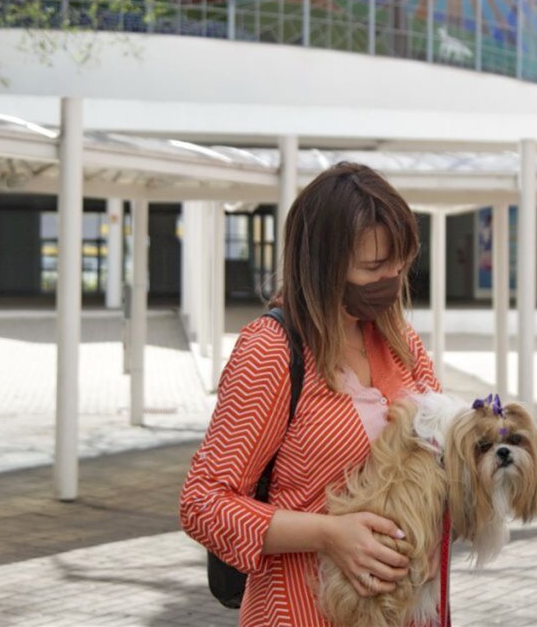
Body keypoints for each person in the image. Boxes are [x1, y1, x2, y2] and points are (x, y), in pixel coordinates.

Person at [180, 162, 444, 626]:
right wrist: (328, 534)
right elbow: (203, 503)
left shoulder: (400, 343)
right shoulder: (270, 351)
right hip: (301, 609)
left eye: (400, 262)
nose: (393, 277)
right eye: (374, 267)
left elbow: (445, 458)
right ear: (324, 265)